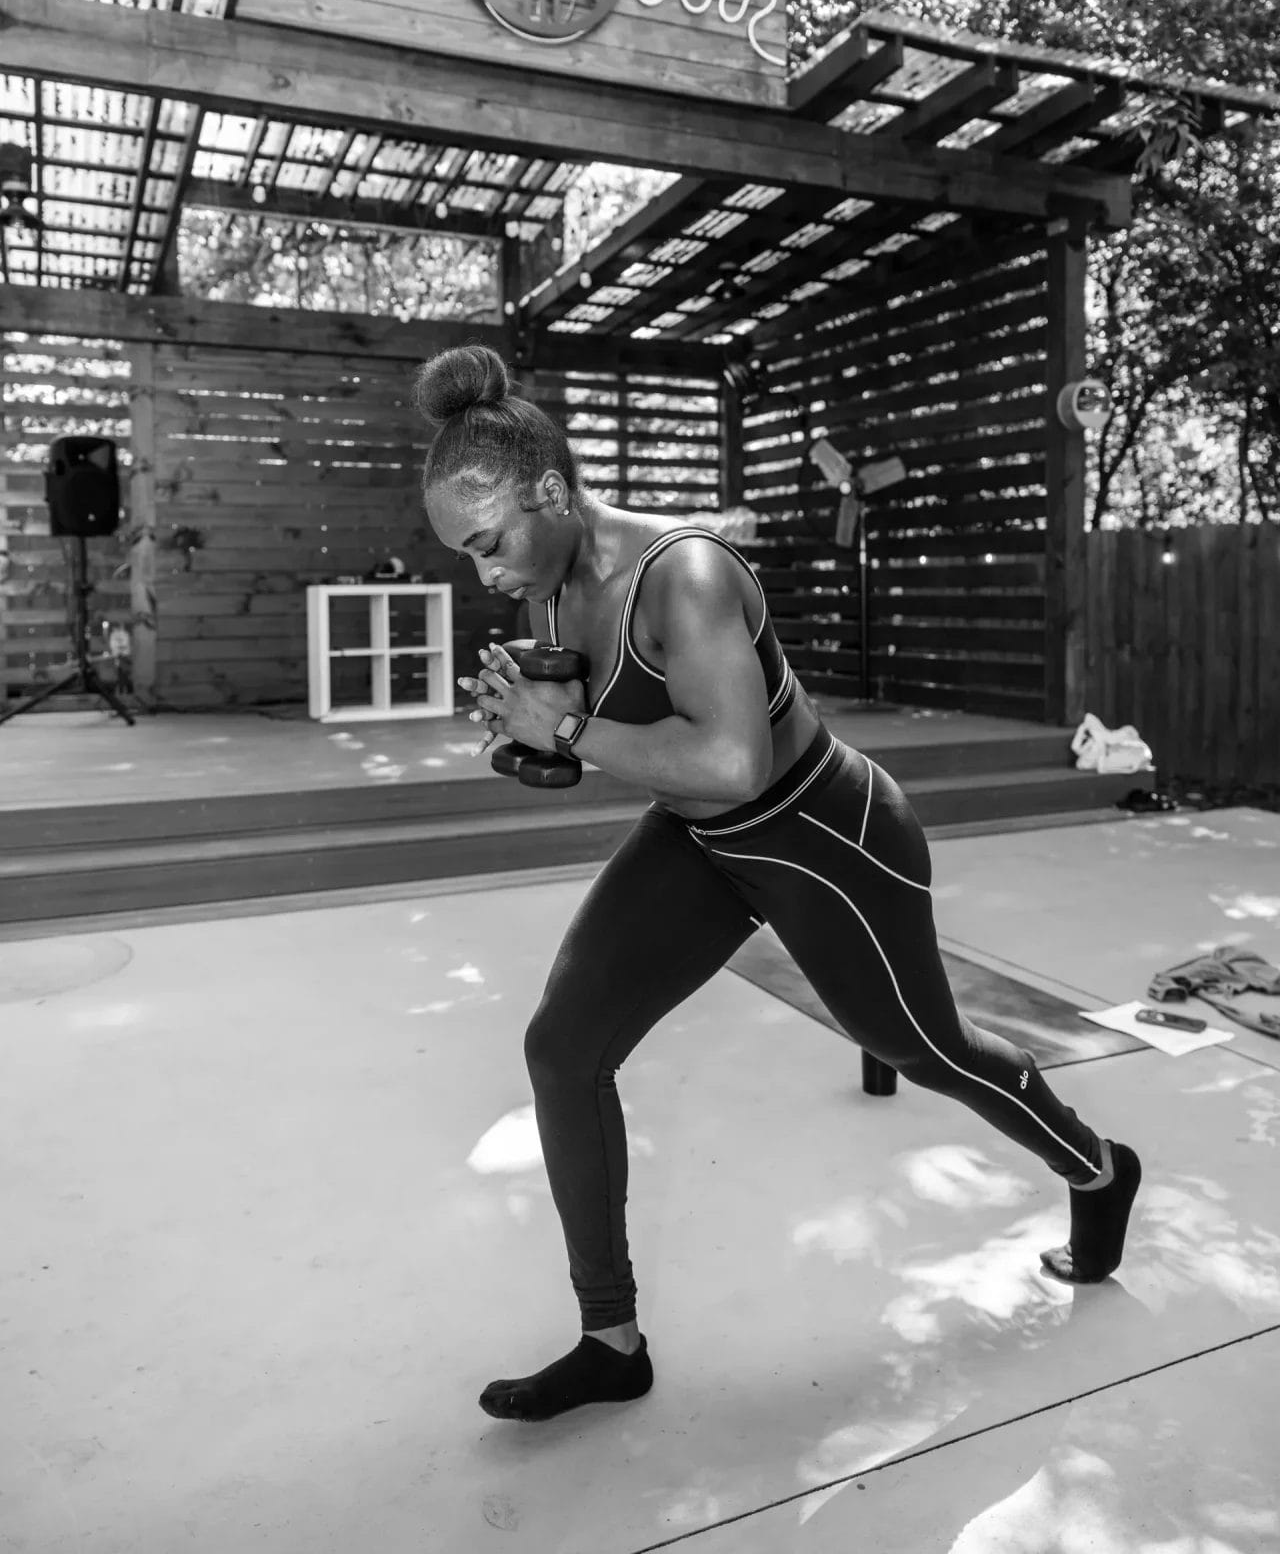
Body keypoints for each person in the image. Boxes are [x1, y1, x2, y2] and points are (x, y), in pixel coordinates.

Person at [415, 343, 1142, 1425]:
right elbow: (612, 744)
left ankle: (1096, 1167)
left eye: (487, 544)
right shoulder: (556, 589)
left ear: (553, 491)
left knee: (923, 1045)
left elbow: (732, 762)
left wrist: (564, 724)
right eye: (464, 556)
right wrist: (526, 739)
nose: (484, 575)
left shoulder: (684, 572)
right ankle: (608, 1341)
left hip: (824, 835)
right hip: (702, 842)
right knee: (559, 1048)